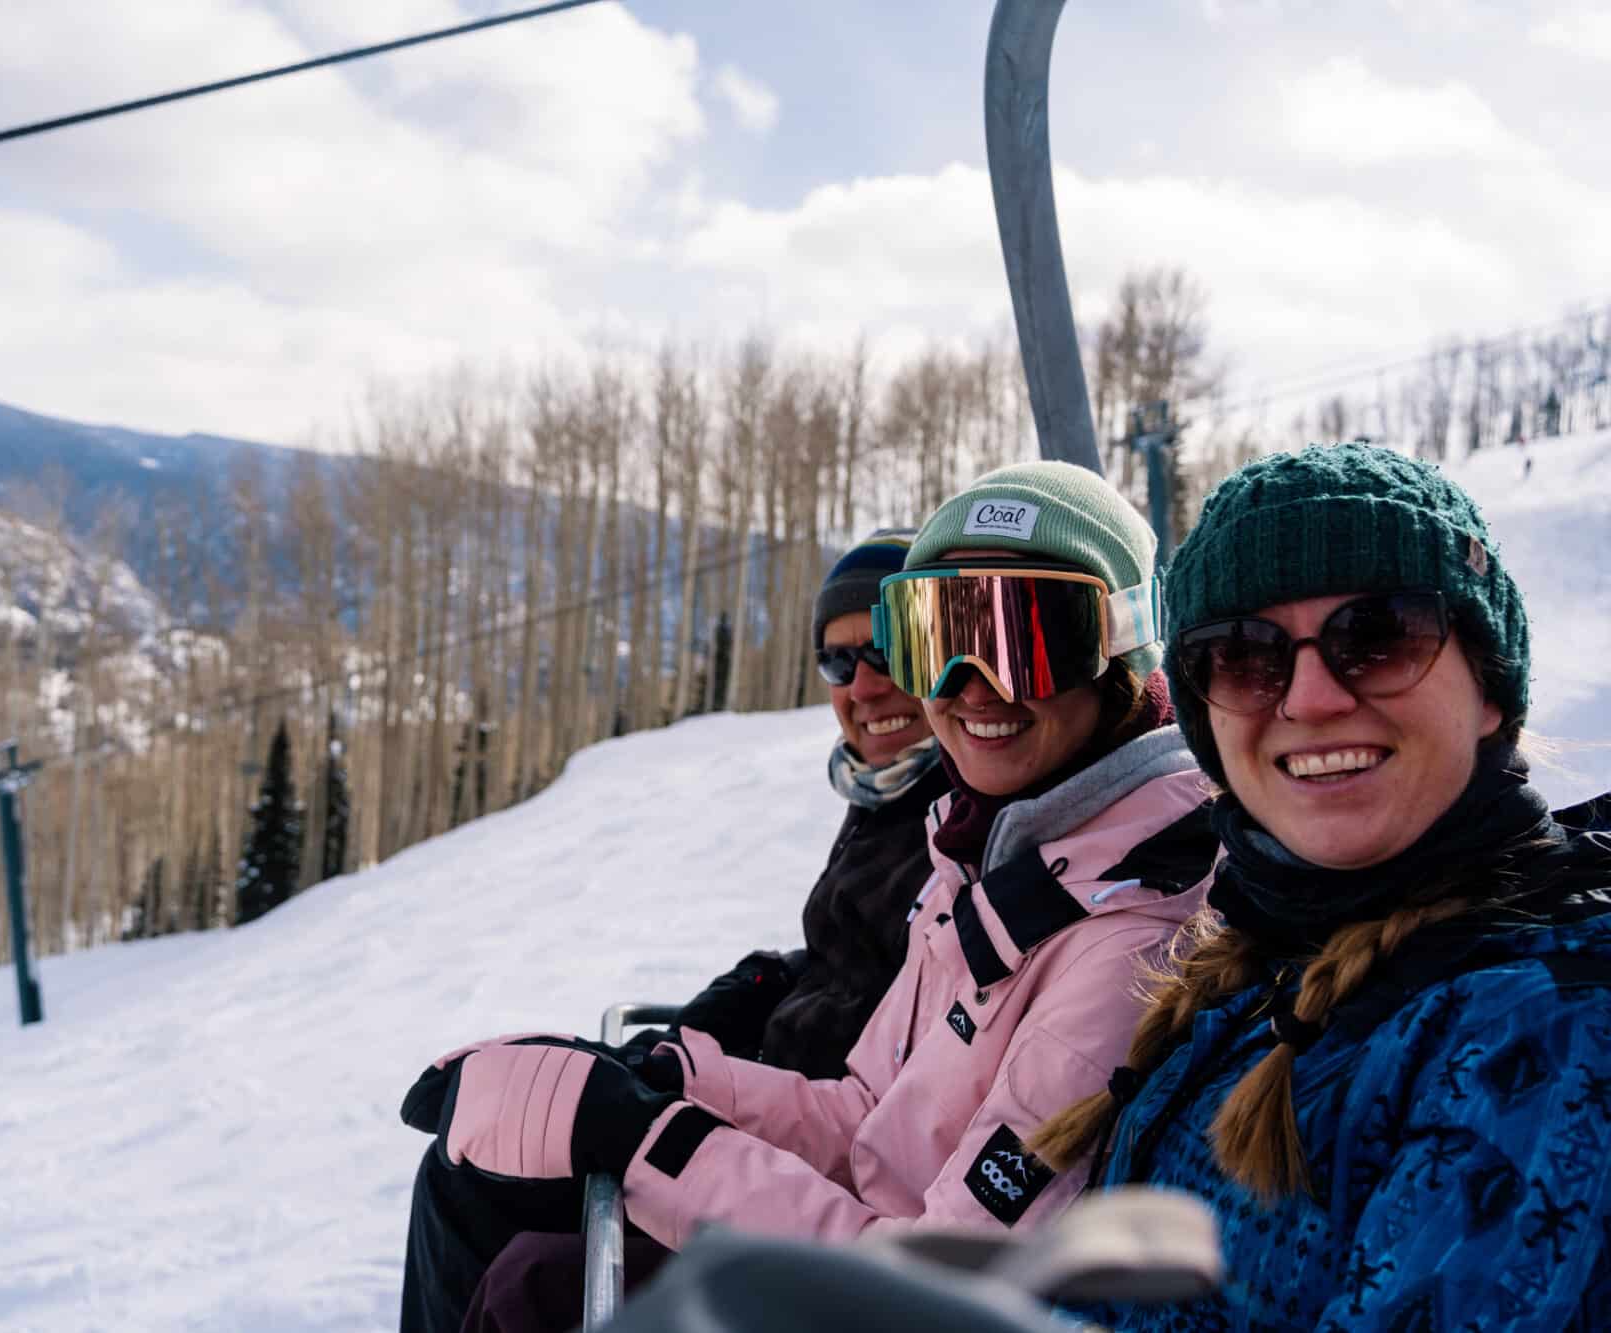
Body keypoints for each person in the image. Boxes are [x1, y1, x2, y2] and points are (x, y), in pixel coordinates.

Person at [402, 462, 1223, 1333]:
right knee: (494, 1213)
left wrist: (643, 1137)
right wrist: (668, 1078)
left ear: (1121, 649)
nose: (972, 682)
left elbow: (937, 1283)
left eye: (1026, 637)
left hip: (889, 1294)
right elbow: (863, 1113)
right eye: (934, 637)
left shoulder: (1135, 927)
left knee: (530, 1289)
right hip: (844, 1238)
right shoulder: (992, 852)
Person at [1031, 443, 1611, 1329]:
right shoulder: (1258, 968)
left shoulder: (1546, 1023)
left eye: (1377, 635)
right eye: (1243, 653)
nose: (1308, 698)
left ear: (1490, 690)